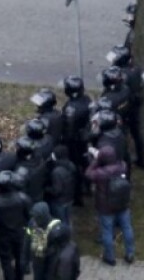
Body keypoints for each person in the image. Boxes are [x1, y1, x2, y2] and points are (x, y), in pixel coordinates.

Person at [84, 146, 134, 266]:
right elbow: (121, 162)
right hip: (122, 204)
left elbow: (88, 174)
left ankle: (110, 257)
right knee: (127, 228)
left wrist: (96, 161)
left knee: (107, 231)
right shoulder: (122, 166)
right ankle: (130, 253)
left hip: (106, 206)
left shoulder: (101, 173)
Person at [104, 46, 144, 170]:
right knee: (136, 133)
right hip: (133, 105)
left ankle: (124, 160)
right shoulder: (135, 70)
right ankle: (141, 159)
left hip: (125, 108)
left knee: (123, 134)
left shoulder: (122, 76)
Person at [0, 172, 30, 280]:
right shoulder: (22, 198)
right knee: (20, 257)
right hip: (20, 233)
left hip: (3, 235)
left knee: (6, 261)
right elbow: (29, 215)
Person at [58, 77, 92, 205]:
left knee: (75, 168)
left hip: (74, 143)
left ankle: (78, 196)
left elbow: (69, 130)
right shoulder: (87, 99)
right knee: (85, 162)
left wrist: (64, 141)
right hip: (84, 139)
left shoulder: (71, 109)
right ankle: (88, 186)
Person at [22, 204, 57, 280]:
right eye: (35, 217)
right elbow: (27, 240)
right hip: (37, 260)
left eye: (38, 217)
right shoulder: (32, 222)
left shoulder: (55, 227)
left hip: (51, 262)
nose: (36, 220)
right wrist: (24, 259)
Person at [44, 147, 76, 227]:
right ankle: (69, 236)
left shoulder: (56, 172)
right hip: (69, 198)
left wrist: (46, 189)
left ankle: (63, 237)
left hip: (59, 201)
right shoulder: (71, 165)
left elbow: (57, 190)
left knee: (61, 222)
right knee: (68, 220)